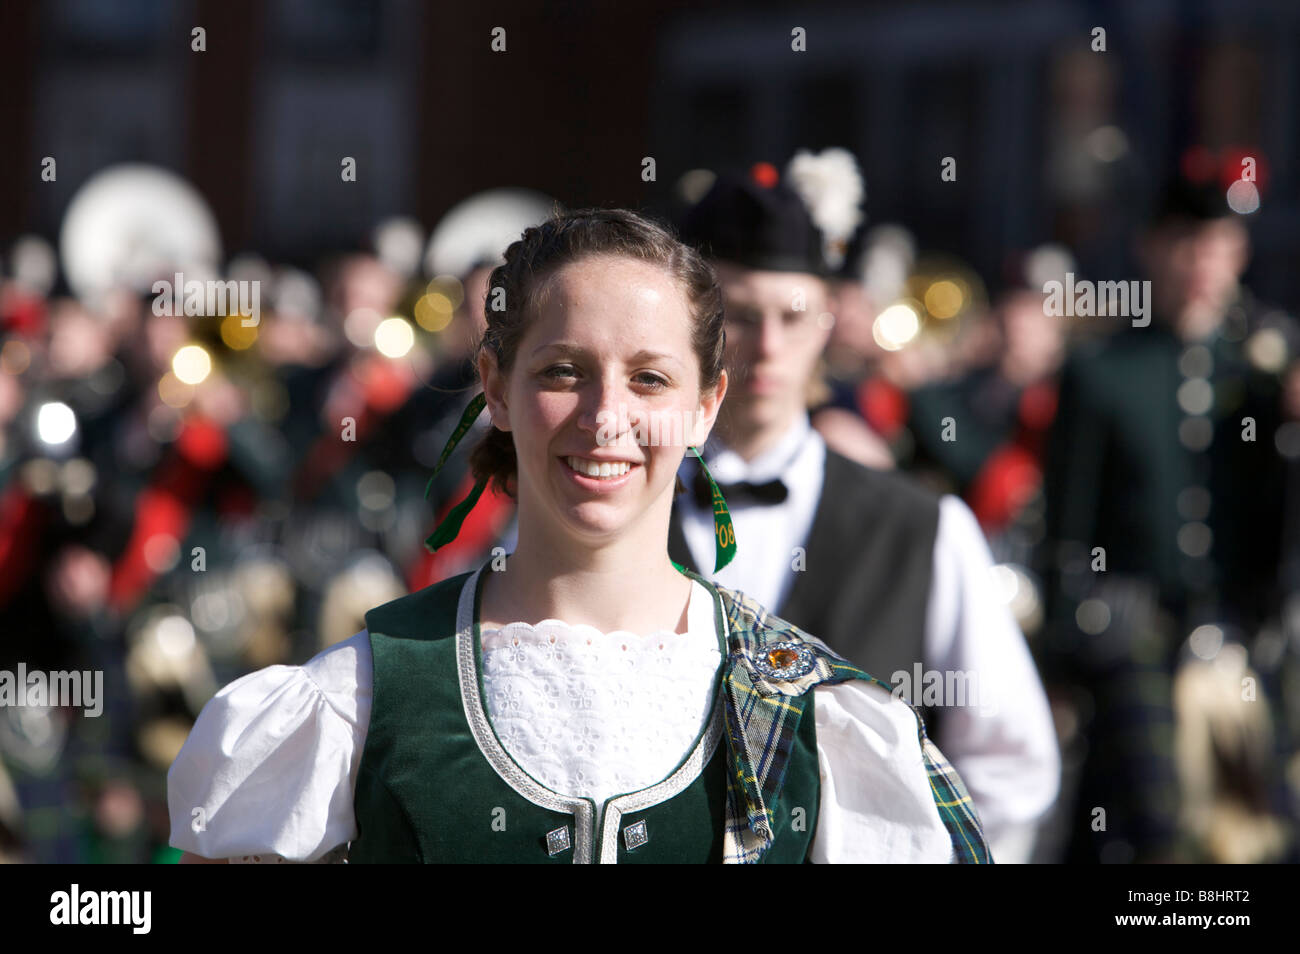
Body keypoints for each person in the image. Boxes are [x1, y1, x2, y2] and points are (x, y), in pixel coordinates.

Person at [167, 208, 991, 863]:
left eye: (650, 378)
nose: (607, 419)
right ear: (494, 386)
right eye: (563, 371)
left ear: (706, 406)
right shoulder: (357, 700)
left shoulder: (821, 719)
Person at [668, 161, 1060, 864]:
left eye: (793, 316)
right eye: (741, 316)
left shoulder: (925, 527)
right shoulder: (614, 502)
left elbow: (1012, 765)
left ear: (828, 319)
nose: (770, 348)